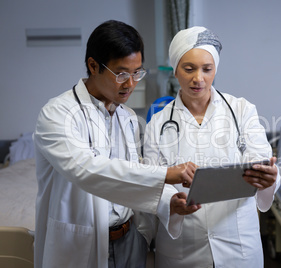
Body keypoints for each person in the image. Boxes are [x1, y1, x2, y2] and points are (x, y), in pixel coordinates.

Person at [33, 20, 198, 268]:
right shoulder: (57, 114)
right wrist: (165, 174)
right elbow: (87, 170)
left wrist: (168, 202)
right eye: (121, 74)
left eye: (137, 73)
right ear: (93, 66)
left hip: (131, 240)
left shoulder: (128, 117)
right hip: (80, 244)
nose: (130, 83)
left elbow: (131, 172)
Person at [143, 26, 280, 268]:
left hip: (238, 243)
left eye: (207, 69)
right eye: (189, 69)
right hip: (183, 246)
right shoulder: (158, 124)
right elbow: (152, 178)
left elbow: (261, 161)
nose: (199, 78)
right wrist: (170, 203)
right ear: (175, 70)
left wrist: (270, 179)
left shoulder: (242, 110)